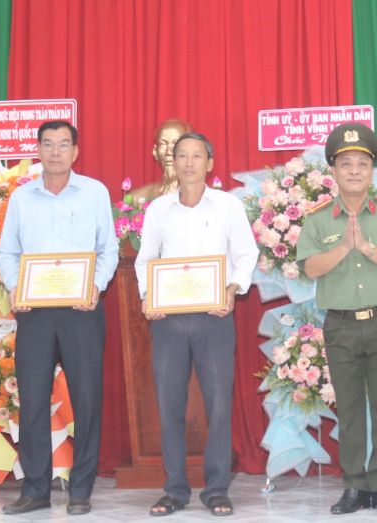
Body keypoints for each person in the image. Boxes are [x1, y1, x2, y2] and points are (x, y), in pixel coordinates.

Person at [0, 120, 119, 516]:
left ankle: (81, 489)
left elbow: (109, 248)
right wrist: (16, 290)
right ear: (37, 149)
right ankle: (35, 490)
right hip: (34, 313)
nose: (55, 152)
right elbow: (6, 253)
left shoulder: (94, 192)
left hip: (81, 310)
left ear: (75, 151)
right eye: (47, 144)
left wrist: (95, 288)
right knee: (31, 400)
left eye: (63, 145)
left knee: (86, 399)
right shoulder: (21, 197)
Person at [135, 133, 258, 517]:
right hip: (168, 322)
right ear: (173, 161)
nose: (189, 163)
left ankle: (217, 489)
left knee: (218, 405)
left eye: (197, 156)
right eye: (181, 156)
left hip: (214, 319)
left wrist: (233, 289)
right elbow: (145, 259)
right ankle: (174, 489)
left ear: (210, 162)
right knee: (169, 405)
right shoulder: (158, 209)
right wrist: (146, 297)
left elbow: (246, 253)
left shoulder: (227, 206)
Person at [296, 123, 377, 516]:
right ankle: (353, 485)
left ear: (372, 170)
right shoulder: (316, 220)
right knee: (348, 409)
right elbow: (312, 268)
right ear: (333, 170)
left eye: (361, 163)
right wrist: (346, 247)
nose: (353, 170)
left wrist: (365, 246)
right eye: (345, 163)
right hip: (342, 325)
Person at [127, 118, 196, 209]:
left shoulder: (210, 198)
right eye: (163, 145)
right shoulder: (137, 198)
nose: (169, 152)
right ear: (155, 152)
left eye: (176, 144)